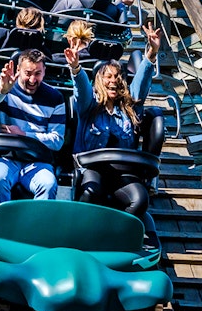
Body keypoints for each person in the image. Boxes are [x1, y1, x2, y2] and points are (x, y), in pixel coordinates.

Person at [65, 23, 164, 217]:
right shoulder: (89, 106)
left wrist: (151, 53)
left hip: (123, 172)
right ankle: (83, 231)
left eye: (118, 76)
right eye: (108, 77)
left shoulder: (128, 109)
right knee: (91, 192)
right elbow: (82, 89)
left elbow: (140, 85)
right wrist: (76, 68)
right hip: (93, 168)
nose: (114, 80)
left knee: (139, 198)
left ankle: (119, 234)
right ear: (99, 82)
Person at [0, 49, 66, 207]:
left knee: (48, 184)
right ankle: (0, 225)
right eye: (28, 73)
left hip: (37, 160)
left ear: (44, 72)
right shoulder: (3, 83)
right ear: (18, 70)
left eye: (38, 73)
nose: (33, 80)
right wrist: (3, 90)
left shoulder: (55, 98)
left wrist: (24, 135)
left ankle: (37, 228)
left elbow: (57, 140)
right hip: (6, 156)